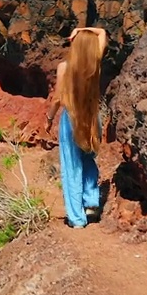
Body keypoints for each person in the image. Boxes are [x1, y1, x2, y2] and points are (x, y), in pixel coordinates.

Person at [45, 27, 108, 228]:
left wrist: (49, 118)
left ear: (74, 44)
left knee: (72, 167)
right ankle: (91, 203)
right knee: (88, 159)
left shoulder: (65, 67)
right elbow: (102, 33)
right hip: (92, 118)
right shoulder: (95, 61)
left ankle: (77, 218)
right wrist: (82, 30)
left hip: (71, 119)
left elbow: (57, 99)